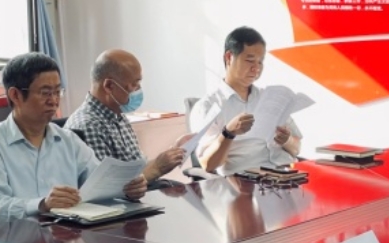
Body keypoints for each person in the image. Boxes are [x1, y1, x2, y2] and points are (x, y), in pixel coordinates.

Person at [0, 52, 145, 228]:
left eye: (57, 91)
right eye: (45, 93)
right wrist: (41, 204)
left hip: (62, 237)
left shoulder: (68, 140)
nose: (54, 101)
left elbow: (100, 183)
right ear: (15, 95)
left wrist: (127, 189)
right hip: (7, 240)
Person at [189, 27, 302, 175]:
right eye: (250, 60)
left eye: (260, 62)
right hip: (247, 181)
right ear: (229, 57)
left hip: (286, 175)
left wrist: (287, 140)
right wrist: (228, 133)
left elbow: (297, 149)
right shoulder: (208, 106)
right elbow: (208, 164)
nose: (256, 68)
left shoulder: (271, 99)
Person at [65, 49, 186, 184]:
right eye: (134, 84)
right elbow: (107, 186)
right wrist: (157, 168)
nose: (138, 89)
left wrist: (169, 156)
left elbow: (137, 169)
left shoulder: (118, 115)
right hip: (120, 197)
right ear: (109, 86)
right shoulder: (88, 126)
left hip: (138, 192)